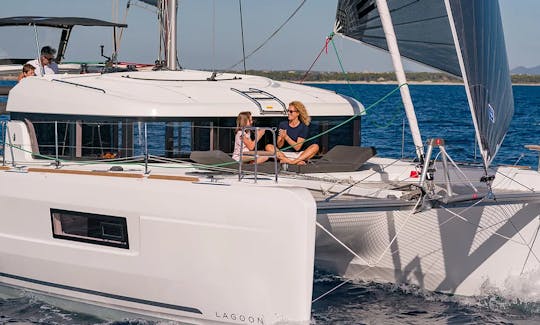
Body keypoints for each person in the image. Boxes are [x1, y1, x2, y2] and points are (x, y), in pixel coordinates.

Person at [265, 100, 319, 165]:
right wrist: (282, 138)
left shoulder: (303, 127)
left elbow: (297, 147)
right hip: (283, 154)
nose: (288, 113)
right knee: (268, 146)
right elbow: (279, 146)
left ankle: (291, 162)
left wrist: (286, 137)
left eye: (291, 111)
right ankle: (291, 161)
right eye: (288, 111)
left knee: (315, 147)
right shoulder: (283, 124)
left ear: (298, 113)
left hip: (298, 155)